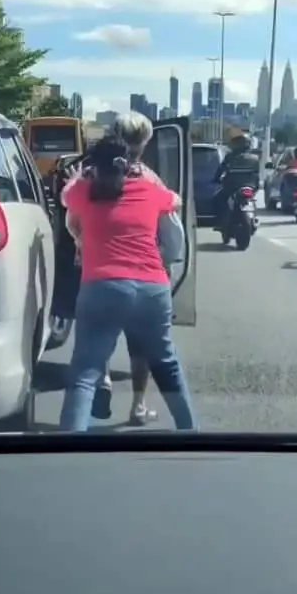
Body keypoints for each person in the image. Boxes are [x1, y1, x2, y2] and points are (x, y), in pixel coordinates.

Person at [59, 136, 196, 432]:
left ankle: (69, 449)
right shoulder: (149, 190)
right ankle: (190, 432)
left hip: (102, 287)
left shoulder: (83, 191)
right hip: (152, 288)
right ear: (130, 165)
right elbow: (176, 200)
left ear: (93, 166)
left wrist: (80, 176)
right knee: (166, 364)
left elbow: (64, 196)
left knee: (86, 371)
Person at [212, 133, 260, 227]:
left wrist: (216, 179)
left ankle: (220, 222)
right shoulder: (255, 158)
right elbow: (257, 175)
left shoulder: (230, 157)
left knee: (217, 199)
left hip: (233, 187)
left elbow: (221, 170)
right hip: (251, 186)